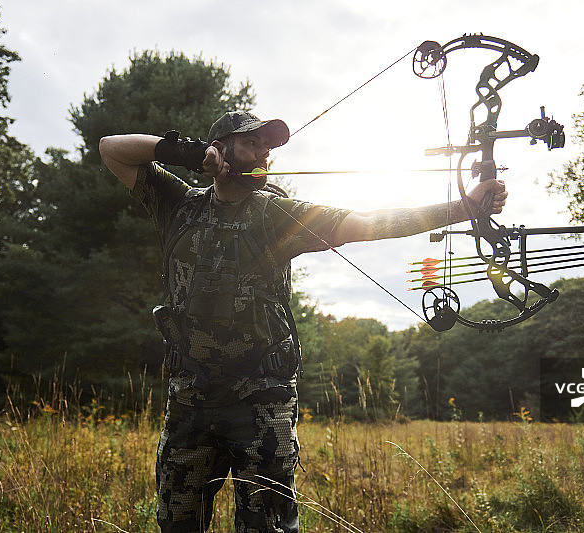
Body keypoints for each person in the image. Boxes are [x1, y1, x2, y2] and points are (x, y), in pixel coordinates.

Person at [99, 110, 507, 533]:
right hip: (190, 399)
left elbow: (367, 224)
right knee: (176, 524)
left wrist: (464, 208)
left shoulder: (276, 214)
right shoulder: (178, 205)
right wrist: (181, 151)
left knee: (268, 526)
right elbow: (111, 149)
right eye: (251, 143)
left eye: (267, 147)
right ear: (219, 149)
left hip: (261, 400)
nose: (263, 153)